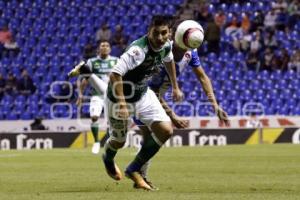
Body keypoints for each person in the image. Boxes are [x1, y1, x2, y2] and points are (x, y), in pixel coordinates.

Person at [68, 16, 182, 190]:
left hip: (143, 95)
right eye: (156, 33)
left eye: (164, 33)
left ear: (170, 33)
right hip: (118, 99)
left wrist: (175, 86)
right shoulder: (138, 51)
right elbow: (115, 74)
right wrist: (122, 104)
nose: (160, 37)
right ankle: (108, 157)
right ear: (149, 31)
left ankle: (133, 169)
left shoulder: (166, 45)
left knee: (166, 130)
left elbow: (169, 61)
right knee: (119, 141)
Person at [133, 20, 229, 189]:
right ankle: (137, 174)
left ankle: (139, 175)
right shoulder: (161, 55)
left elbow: (203, 77)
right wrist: (173, 115)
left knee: (150, 138)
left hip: (154, 99)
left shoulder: (190, 52)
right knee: (156, 135)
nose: (187, 50)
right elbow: (152, 91)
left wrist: (215, 106)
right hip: (141, 96)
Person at [76, 40, 118, 154]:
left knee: (112, 121)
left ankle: (110, 143)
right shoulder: (92, 62)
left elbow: (121, 78)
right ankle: (96, 142)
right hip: (97, 95)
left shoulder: (115, 61)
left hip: (111, 95)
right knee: (94, 117)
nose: (105, 47)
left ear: (110, 49)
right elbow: (85, 80)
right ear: (98, 49)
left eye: (107, 45)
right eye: (102, 46)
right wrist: (80, 94)